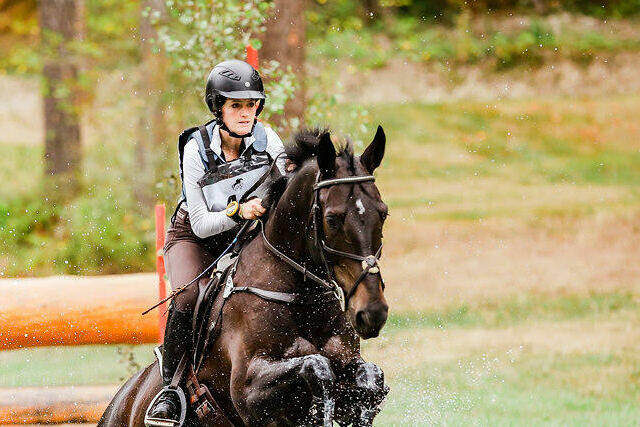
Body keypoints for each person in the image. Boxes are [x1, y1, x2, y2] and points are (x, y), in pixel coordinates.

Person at [146, 59, 286, 426]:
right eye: (236, 105)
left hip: (245, 236)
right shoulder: (196, 150)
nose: (245, 113)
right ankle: (169, 389)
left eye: (252, 104)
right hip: (193, 236)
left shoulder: (269, 140)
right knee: (189, 297)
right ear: (217, 108)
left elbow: (287, 193)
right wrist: (239, 212)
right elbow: (203, 223)